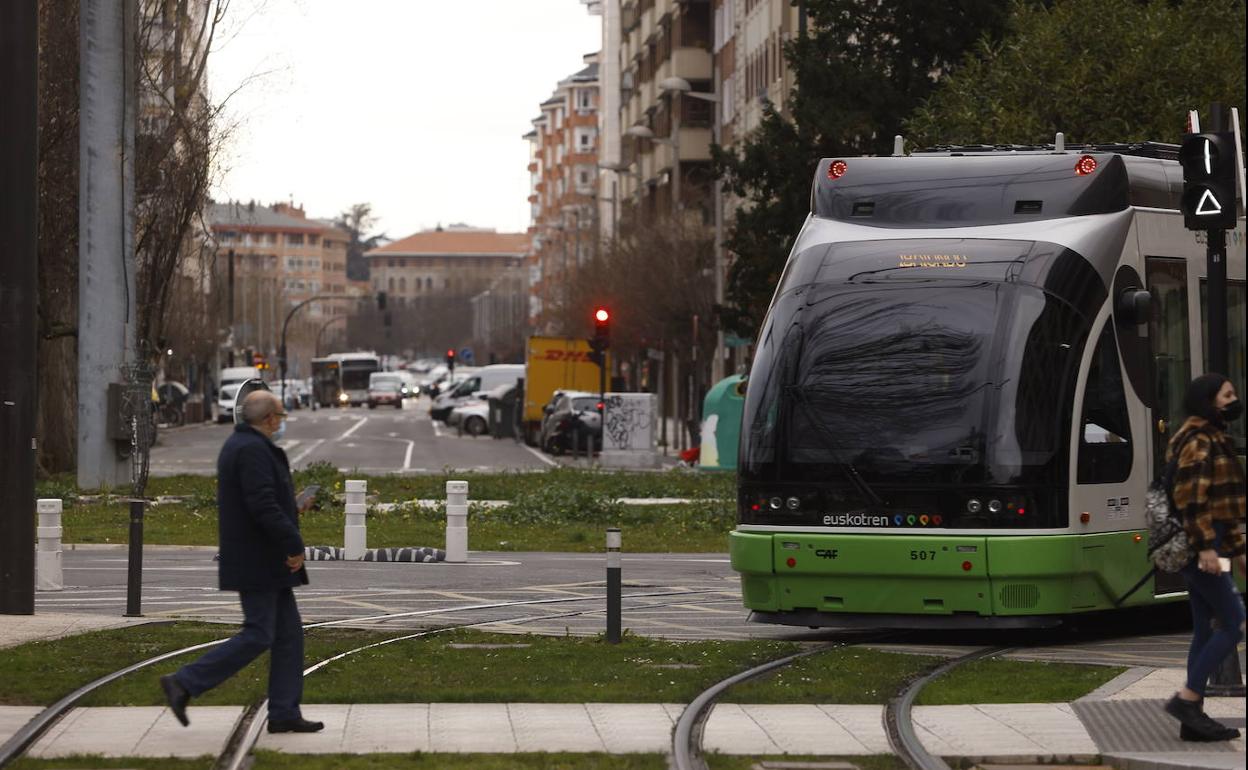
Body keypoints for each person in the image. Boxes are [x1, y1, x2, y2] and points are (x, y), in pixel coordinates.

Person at [160, 390, 324, 734]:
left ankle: (283, 712)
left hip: (265, 559)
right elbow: (261, 506)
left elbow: (262, 501)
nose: (282, 423)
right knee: (260, 633)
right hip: (258, 560)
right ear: (268, 419)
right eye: (280, 416)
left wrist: (292, 506)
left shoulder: (249, 446)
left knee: (289, 637)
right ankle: (185, 681)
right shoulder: (251, 449)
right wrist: (294, 543)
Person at [1163, 373, 1245, 742]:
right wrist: (1208, 548)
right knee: (1234, 621)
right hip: (1203, 547)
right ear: (1209, 400)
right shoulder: (1198, 439)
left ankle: (1191, 721)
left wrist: (1237, 551)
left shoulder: (1210, 436)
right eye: (1228, 394)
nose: (1234, 399)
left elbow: (1225, 504)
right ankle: (1188, 698)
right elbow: (1191, 499)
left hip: (1214, 544)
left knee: (1203, 627)